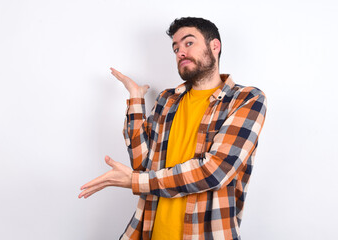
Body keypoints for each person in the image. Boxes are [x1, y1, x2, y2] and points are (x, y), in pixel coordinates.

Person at [79, 17, 267, 240]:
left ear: (214, 46)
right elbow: (142, 165)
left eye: (188, 43)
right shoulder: (167, 100)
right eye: (175, 48)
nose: (180, 52)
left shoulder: (246, 99)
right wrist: (136, 100)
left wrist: (134, 182)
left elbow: (215, 171)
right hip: (150, 231)